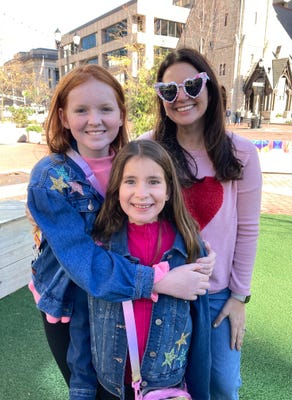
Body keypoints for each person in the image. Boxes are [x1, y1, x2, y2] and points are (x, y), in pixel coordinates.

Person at [26, 64, 214, 400]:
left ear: (122, 114)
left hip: (123, 295)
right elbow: (84, 262)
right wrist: (158, 280)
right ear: (64, 117)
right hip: (70, 302)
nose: (94, 119)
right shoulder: (49, 177)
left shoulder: (131, 163)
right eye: (81, 109)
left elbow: (170, 215)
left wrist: (199, 253)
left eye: (105, 108)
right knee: (89, 386)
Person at [142, 47, 262, 399]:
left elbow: (248, 229)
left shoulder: (240, 152)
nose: (181, 98)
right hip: (162, 291)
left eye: (192, 85)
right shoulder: (147, 149)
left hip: (216, 296)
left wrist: (239, 296)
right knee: (165, 387)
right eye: (169, 91)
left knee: (222, 384)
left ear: (209, 87)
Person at [89, 139, 212, 399]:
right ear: (117, 188)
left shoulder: (189, 246)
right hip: (111, 386)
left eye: (154, 181)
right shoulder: (100, 246)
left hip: (167, 387)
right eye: (130, 181)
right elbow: (83, 320)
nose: (141, 193)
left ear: (168, 190)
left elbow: (200, 331)